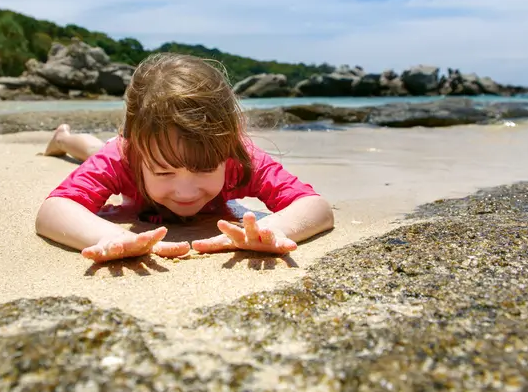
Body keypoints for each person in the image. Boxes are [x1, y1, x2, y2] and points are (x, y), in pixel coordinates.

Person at [35, 52, 334, 263]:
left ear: (227, 144)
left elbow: (315, 206)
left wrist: (276, 229)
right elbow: (54, 210)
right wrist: (108, 235)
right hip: (116, 150)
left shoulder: (236, 156)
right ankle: (63, 137)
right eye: (164, 173)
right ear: (138, 151)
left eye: (204, 170)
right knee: (94, 150)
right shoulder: (122, 157)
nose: (186, 192)